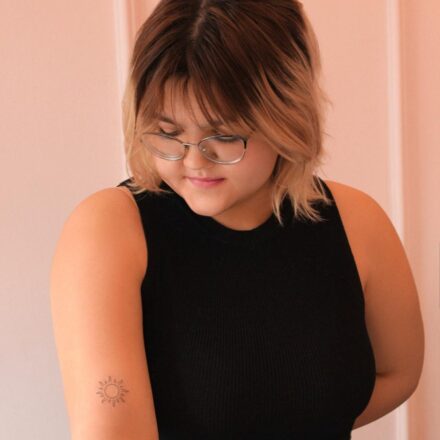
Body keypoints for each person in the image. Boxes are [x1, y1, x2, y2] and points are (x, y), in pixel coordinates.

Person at [50, 1, 425, 439]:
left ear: (285, 115)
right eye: (168, 133)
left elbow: (397, 374)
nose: (195, 159)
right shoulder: (109, 230)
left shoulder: (358, 221)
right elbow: (113, 430)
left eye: (224, 135)